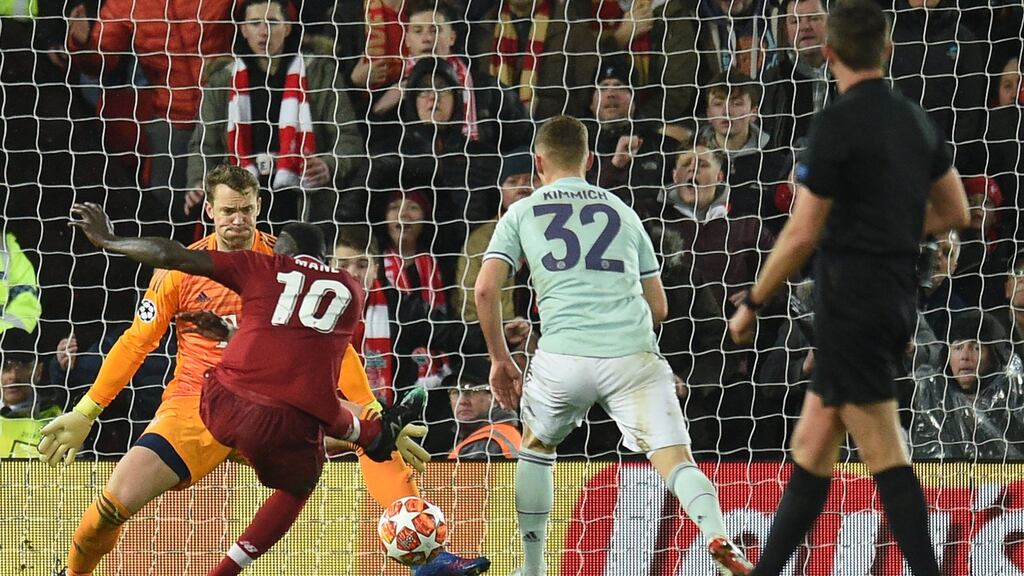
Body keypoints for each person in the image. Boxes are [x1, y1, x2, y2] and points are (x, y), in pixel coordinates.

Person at [35, 166, 465, 576]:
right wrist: (86, 411)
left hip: (276, 400)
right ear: (209, 210)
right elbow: (136, 342)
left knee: (379, 436)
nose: (237, 220)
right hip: (195, 408)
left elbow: (332, 349)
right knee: (111, 507)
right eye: (227, 211)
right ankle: (74, 572)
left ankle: (428, 557)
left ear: (258, 206)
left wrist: (371, 408)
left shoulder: (283, 262)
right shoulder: (181, 272)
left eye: (245, 210)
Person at [727, 2, 969, 574]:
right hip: (895, 298)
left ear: (829, 52)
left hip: (850, 302)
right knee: (812, 448)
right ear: (887, 50)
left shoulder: (834, 122)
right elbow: (956, 210)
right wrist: (894, 228)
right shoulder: (915, 119)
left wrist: (754, 301)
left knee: (884, 452)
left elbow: (802, 233)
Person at [475, 115, 752, 576]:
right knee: (675, 460)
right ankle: (717, 535)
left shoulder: (521, 212)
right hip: (631, 356)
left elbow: (485, 291)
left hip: (561, 357)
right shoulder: (623, 211)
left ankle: (532, 567)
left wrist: (500, 361)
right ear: (590, 160)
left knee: (536, 450)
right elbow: (659, 306)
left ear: (538, 162)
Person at [186, 0, 364, 225]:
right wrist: (198, 183)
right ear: (243, 30)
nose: (264, 32)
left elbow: (348, 140)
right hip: (239, 196)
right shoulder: (222, 81)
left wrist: (329, 164)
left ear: (288, 28)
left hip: (304, 198)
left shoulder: (321, 74)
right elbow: (204, 146)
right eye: (255, 23)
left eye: (272, 22)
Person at [910, 309, 1024, 461]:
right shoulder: (929, 394)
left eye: (976, 347)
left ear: (995, 355)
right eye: (957, 347)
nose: (964, 356)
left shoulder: (1016, 395)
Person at [445, 356, 522, 460]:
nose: (462, 401)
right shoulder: (500, 433)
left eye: (471, 391)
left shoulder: (486, 443)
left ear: (495, 397)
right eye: (455, 392)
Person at [1, 333, 61, 458]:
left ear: (38, 371)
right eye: (5, 367)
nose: (13, 376)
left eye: (22, 366)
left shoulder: (55, 418)